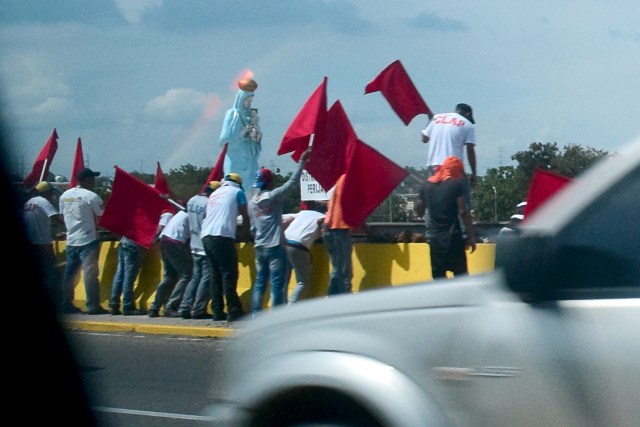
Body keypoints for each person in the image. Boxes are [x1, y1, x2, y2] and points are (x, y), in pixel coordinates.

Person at [248, 149, 311, 316]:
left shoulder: (251, 203)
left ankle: (256, 314)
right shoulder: (272, 196)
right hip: (275, 246)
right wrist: (302, 162)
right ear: (269, 182)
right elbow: (291, 183)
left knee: (260, 283)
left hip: (259, 246)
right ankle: (276, 317)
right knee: (277, 284)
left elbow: (252, 228)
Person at [415, 156, 477, 279]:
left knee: (439, 281)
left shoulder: (426, 185)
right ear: (455, 170)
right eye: (460, 171)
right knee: (461, 280)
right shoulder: (455, 185)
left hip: (435, 241)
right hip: (453, 239)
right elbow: (463, 211)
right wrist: (470, 236)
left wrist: (422, 196)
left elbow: (420, 211)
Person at [200, 173, 249, 321]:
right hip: (222, 235)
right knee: (229, 274)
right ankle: (234, 310)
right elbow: (245, 216)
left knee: (215, 276)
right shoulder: (237, 192)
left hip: (206, 235)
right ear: (237, 183)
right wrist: (245, 233)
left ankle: (217, 311)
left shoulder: (215, 194)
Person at [59, 167, 106, 314]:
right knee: (90, 274)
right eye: (92, 178)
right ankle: (93, 306)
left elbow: (61, 216)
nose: (94, 181)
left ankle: (65, 303)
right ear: (86, 180)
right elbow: (103, 216)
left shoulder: (64, 195)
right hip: (88, 239)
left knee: (69, 274)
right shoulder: (91, 196)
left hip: (71, 239)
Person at [421, 103, 477, 219]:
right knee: (463, 201)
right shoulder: (467, 124)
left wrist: (430, 121)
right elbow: (470, 150)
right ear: (468, 114)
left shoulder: (437, 118)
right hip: (453, 167)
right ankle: (466, 233)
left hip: (433, 166)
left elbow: (424, 139)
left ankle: (431, 231)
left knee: (434, 200)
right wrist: (474, 173)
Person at [178, 181, 221, 319]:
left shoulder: (192, 200)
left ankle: (185, 306)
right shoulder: (209, 204)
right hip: (204, 244)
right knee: (206, 278)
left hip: (194, 244)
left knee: (195, 278)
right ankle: (198, 309)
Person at [23, 181, 64, 309]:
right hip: (42, 244)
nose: (52, 194)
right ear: (46, 192)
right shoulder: (43, 201)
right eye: (51, 191)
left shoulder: (29, 202)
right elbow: (55, 217)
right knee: (52, 275)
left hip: (32, 242)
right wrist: (70, 226)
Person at [148, 209, 192, 318]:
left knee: (169, 276)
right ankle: (171, 306)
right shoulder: (191, 216)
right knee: (186, 275)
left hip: (164, 241)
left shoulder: (180, 215)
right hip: (175, 243)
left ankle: (154, 307)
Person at [220, 78, 262, 191]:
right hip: (236, 157)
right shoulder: (232, 114)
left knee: (251, 185)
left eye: (251, 100)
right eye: (247, 100)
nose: (249, 103)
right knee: (234, 184)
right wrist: (243, 132)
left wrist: (256, 136)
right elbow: (224, 139)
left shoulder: (251, 116)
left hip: (249, 157)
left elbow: (256, 141)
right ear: (241, 98)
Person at [283, 201, 325, 304]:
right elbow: (324, 225)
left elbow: (284, 219)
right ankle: (291, 308)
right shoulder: (321, 216)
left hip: (284, 241)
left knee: (284, 280)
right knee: (303, 281)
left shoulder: (301, 214)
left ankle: (280, 307)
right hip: (299, 245)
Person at [323, 173, 354, 296]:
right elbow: (351, 207)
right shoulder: (350, 180)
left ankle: (332, 302)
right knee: (344, 272)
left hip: (328, 228)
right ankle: (346, 305)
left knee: (336, 270)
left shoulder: (340, 178)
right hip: (340, 229)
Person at [108, 236, 146, 316]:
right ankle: (128, 306)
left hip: (123, 242)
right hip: (134, 245)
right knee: (129, 277)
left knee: (119, 275)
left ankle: (113, 305)